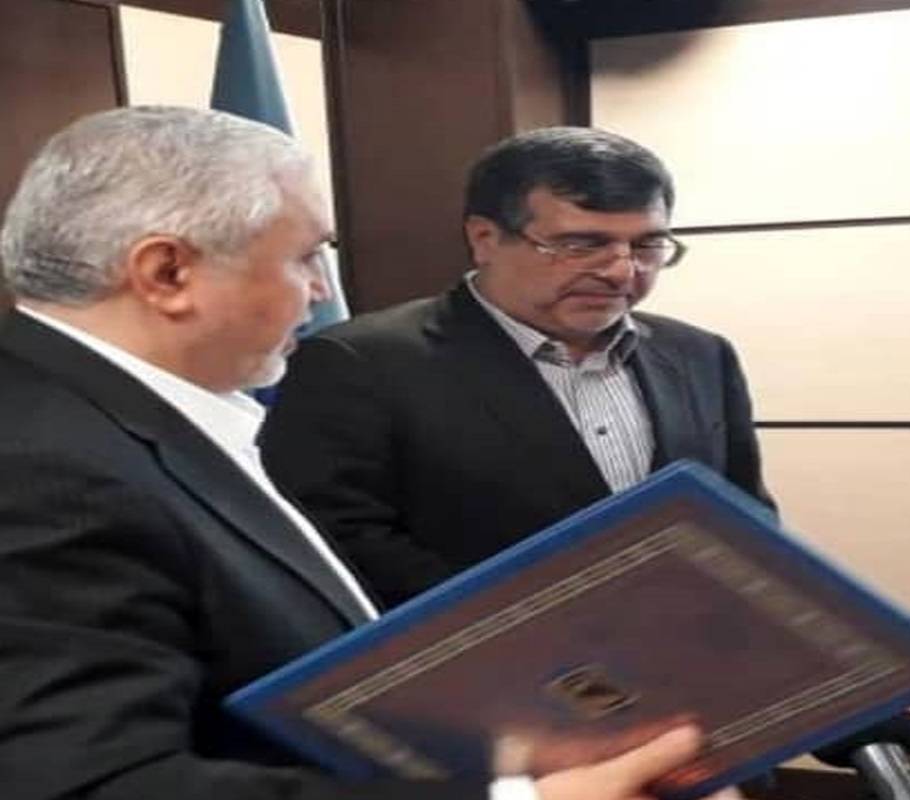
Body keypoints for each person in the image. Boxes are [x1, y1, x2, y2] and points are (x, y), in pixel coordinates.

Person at [0, 107, 710, 800]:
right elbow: (86, 782)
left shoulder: (116, 418)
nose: (320, 291)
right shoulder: (40, 470)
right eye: (306, 256)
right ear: (167, 273)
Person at [261, 127, 774, 608]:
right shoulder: (361, 362)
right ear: (484, 238)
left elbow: (743, 516)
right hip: (477, 659)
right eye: (581, 245)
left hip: (684, 649)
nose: (621, 271)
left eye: (647, 246)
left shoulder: (699, 355)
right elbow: (340, 542)